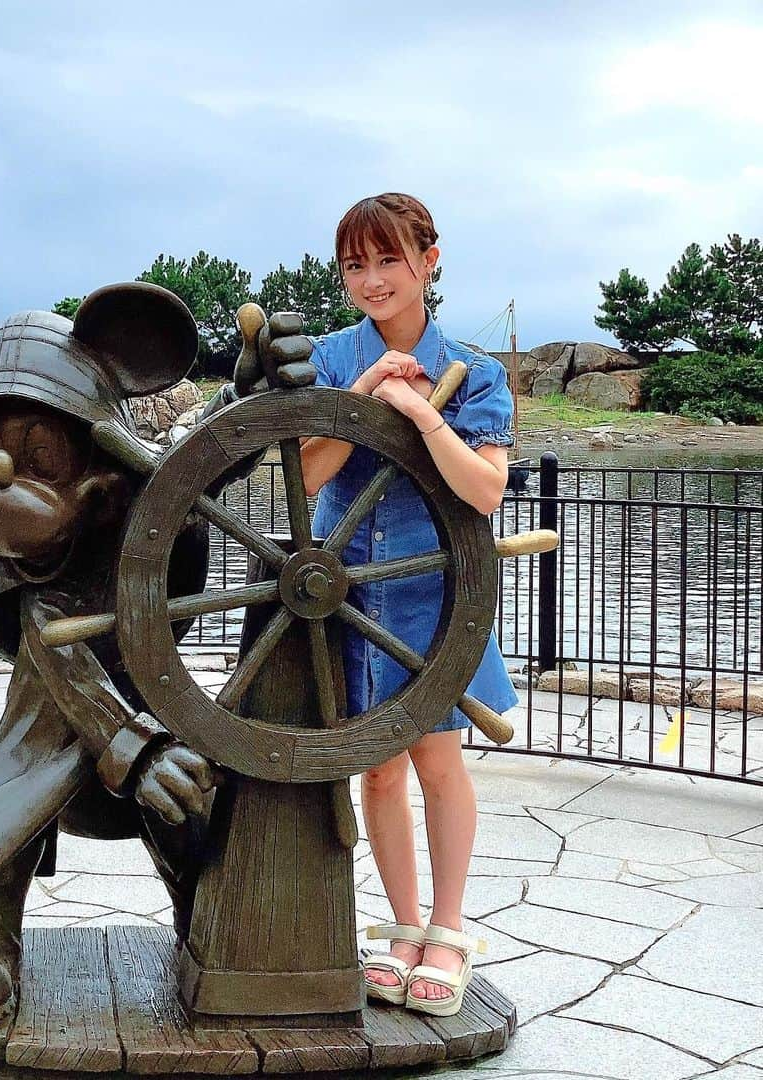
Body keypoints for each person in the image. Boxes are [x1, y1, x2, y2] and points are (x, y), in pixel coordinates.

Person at [300, 193, 518, 1017]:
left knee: (437, 760)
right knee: (380, 767)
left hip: (438, 590)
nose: (371, 279)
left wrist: (425, 414)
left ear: (429, 259)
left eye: (387, 259)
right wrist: (360, 396)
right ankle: (400, 928)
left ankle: (448, 930)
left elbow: (486, 490)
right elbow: (310, 476)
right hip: (344, 589)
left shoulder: (478, 373)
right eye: (355, 264)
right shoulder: (330, 359)